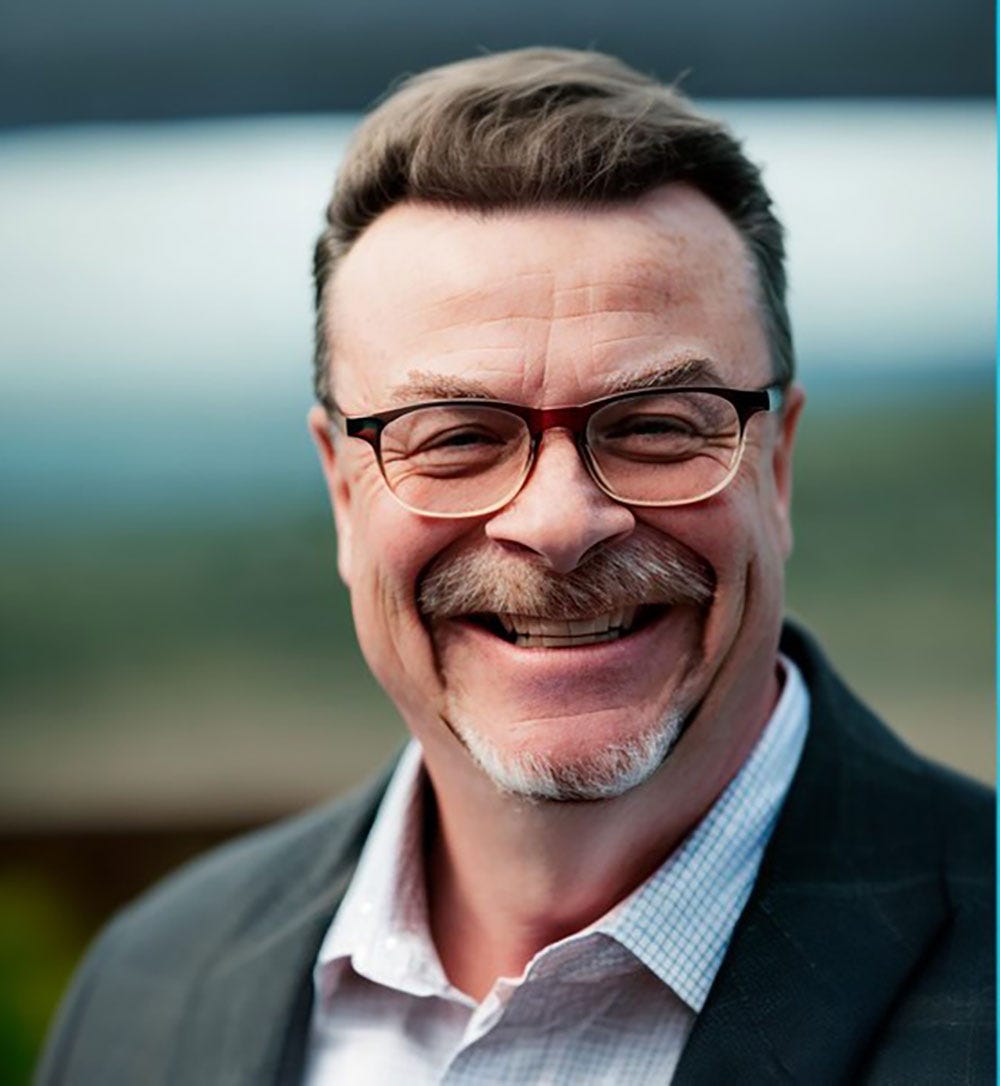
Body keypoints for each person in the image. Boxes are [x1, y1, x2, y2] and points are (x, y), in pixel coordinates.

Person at [37, 48, 993, 1085]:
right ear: (343, 492)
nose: (558, 522)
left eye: (656, 426)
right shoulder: (149, 985)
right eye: (454, 438)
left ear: (780, 467)